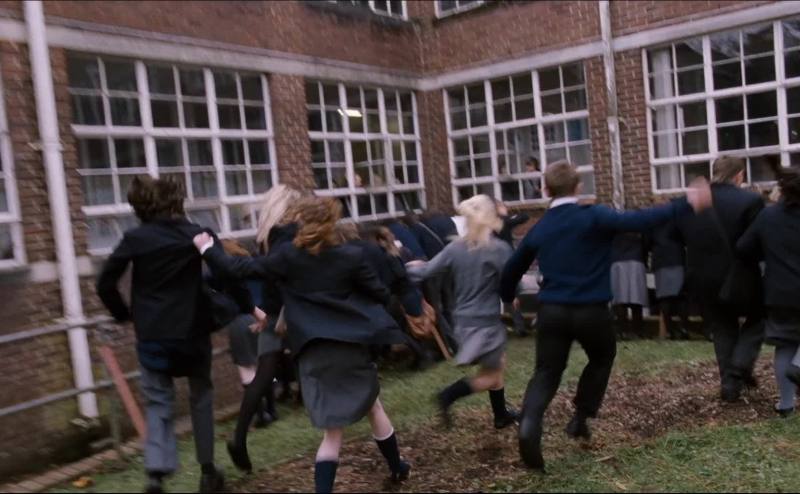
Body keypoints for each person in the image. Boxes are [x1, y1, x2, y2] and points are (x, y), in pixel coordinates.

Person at [500, 161, 711, 471]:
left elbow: (512, 269)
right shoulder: (594, 216)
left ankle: (529, 425)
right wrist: (687, 202)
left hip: (552, 312)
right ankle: (581, 416)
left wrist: (508, 296)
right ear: (578, 187)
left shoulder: (541, 227)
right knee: (601, 358)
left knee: (546, 372)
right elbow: (641, 219)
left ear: (545, 189)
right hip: (591, 311)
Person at [194, 197, 410, 493]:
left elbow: (238, 268)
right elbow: (381, 294)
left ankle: (395, 467)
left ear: (300, 222)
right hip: (350, 348)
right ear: (331, 223)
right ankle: (396, 466)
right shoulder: (351, 256)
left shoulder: (288, 257)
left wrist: (208, 249)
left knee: (334, 433)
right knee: (372, 405)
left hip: (311, 352)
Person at [96, 176, 264, 494]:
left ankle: (156, 475)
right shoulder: (196, 234)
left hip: (152, 334)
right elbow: (229, 275)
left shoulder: (135, 238)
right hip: (192, 332)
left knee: (158, 401)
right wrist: (247, 307)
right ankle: (208, 472)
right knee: (201, 397)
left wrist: (122, 313)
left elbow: (105, 283)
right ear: (177, 202)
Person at [407, 195, 520, 431]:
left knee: (496, 363)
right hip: (486, 322)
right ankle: (448, 396)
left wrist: (403, 266)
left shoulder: (455, 248)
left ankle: (500, 415)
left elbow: (426, 271)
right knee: (491, 374)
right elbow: (511, 285)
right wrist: (513, 300)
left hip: (463, 321)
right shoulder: (498, 249)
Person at [676, 156, 765, 403]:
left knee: (722, 327)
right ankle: (740, 365)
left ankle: (729, 384)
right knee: (759, 319)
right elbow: (757, 241)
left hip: (703, 276)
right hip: (741, 274)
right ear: (739, 175)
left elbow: (680, 235)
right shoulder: (751, 201)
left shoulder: (693, 201)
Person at [227, 185, 303, 473]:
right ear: (289, 208)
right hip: (291, 313)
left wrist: (266, 316)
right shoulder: (290, 237)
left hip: (272, 314)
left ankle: (239, 438)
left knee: (262, 376)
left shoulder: (267, 238)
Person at [737, 167, 800, 417]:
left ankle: (786, 405)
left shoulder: (768, 216)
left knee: (785, 344)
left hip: (778, 291)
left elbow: (743, 247)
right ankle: (798, 366)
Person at [219, 240, 275, 430]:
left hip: (240, 320)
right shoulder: (253, 265)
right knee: (264, 365)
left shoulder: (226, 272)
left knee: (247, 370)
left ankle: (261, 414)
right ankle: (272, 409)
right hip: (263, 317)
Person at [495, 199, 532, 336]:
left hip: (493, 263)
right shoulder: (503, 220)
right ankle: (519, 326)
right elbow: (524, 217)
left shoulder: (487, 223)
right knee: (513, 293)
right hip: (506, 262)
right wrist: (510, 214)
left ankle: (515, 325)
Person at [650, 221, 691, 340]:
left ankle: (670, 330)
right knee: (681, 296)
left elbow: (647, 241)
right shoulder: (676, 221)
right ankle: (683, 328)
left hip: (660, 261)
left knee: (664, 298)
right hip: (677, 259)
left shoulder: (654, 223)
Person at [610, 233, 648, 340]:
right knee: (637, 299)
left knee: (619, 299)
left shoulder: (613, 223)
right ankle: (637, 331)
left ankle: (621, 331)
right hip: (636, 259)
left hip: (617, 260)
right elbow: (646, 242)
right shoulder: (638, 223)